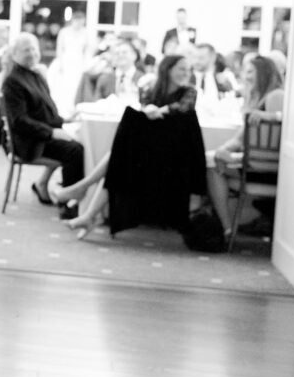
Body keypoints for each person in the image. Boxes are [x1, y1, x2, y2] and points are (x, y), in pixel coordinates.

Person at [57, 54, 199, 239]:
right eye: (181, 68)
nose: (186, 73)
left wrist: (159, 111)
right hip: (146, 153)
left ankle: (83, 193)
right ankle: (88, 213)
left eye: (188, 70)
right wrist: (148, 111)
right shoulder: (150, 89)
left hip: (172, 159)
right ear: (168, 69)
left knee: (118, 158)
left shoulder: (189, 92)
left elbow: (182, 108)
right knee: (119, 163)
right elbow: (144, 116)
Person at [2, 32, 84, 220]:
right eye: (26, 50)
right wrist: (52, 133)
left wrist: (67, 122)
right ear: (14, 54)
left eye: (34, 48)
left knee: (81, 141)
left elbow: (47, 112)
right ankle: (68, 204)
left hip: (41, 135)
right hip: (29, 141)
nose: (31, 53)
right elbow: (19, 122)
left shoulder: (36, 75)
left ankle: (65, 192)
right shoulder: (13, 81)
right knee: (75, 152)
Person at [207, 55, 285, 234]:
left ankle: (226, 227)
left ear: (263, 72)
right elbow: (239, 139)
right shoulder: (259, 99)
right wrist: (223, 151)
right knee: (211, 159)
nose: (245, 76)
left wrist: (235, 157)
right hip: (256, 164)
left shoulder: (276, 96)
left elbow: (273, 145)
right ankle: (225, 226)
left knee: (212, 167)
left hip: (266, 169)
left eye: (250, 71)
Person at [47, 9, 95, 115]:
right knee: (64, 85)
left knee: (76, 85)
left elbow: (87, 50)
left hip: (78, 61)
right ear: (73, 20)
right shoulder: (64, 32)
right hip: (66, 60)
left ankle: (74, 108)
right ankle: (62, 110)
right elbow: (59, 48)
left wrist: (86, 63)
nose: (80, 24)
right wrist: (60, 62)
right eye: (78, 21)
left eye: (82, 22)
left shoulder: (86, 33)